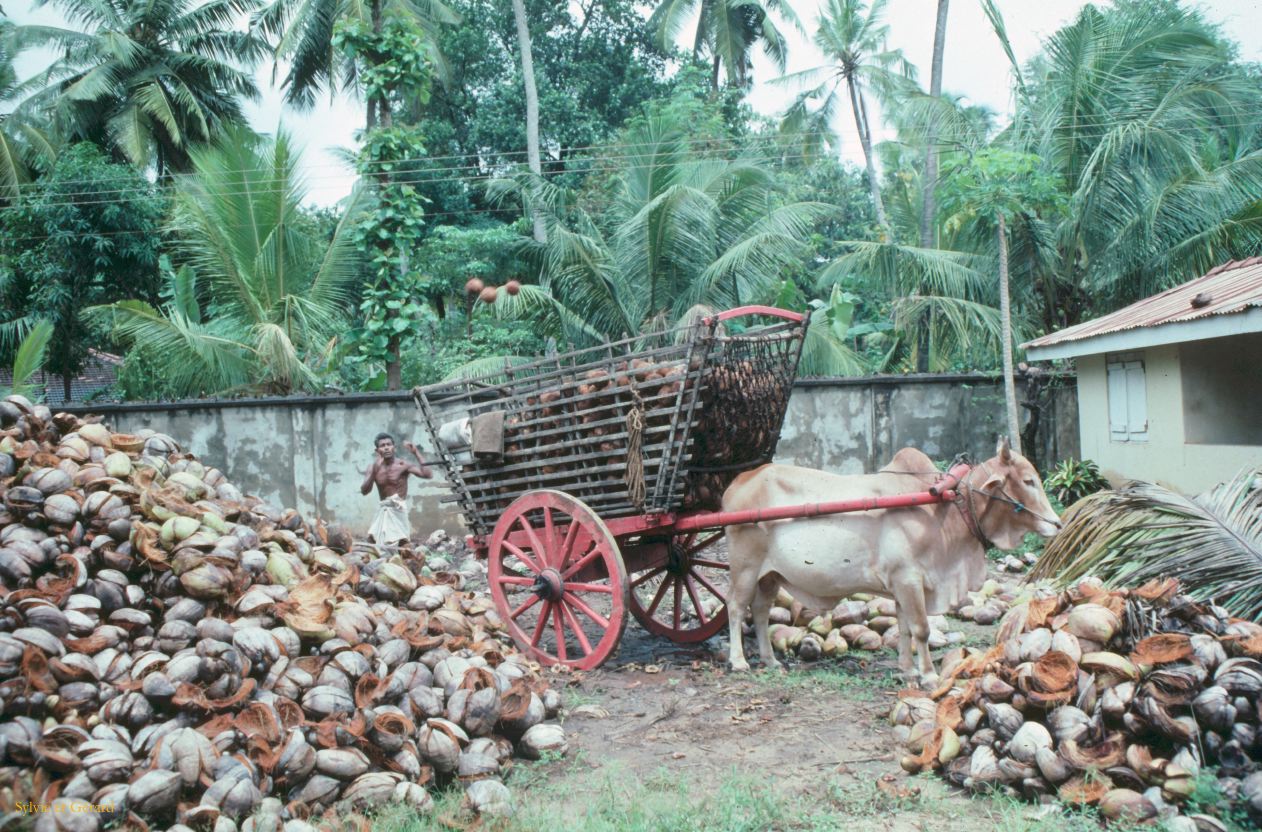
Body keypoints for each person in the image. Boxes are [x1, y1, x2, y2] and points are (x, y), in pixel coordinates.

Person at [361, 432, 433, 545]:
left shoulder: (403, 465)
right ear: (377, 450)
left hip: (398, 510)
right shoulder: (373, 467)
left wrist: (416, 453)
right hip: (383, 509)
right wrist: (374, 471)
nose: (386, 448)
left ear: (394, 447)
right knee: (373, 542)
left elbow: (428, 475)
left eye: (388, 444)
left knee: (402, 544)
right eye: (382, 445)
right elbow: (364, 491)